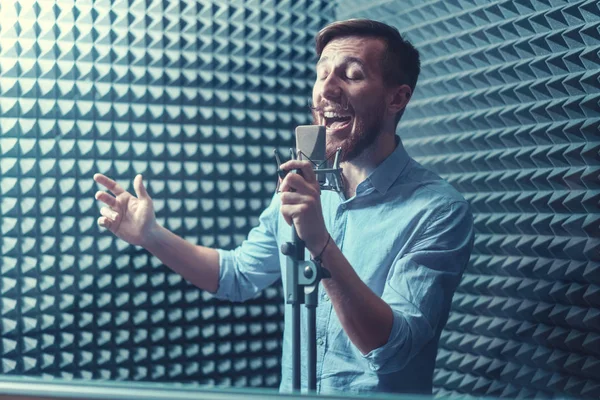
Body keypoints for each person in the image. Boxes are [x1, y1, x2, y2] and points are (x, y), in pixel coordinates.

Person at [93, 19, 474, 395]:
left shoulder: (438, 211)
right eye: (322, 73)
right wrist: (152, 236)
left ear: (397, 98)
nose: (326, 89)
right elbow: (237, 276)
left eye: (352, 75)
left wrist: (320, 244)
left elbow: (392, 347)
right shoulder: (304, 189)